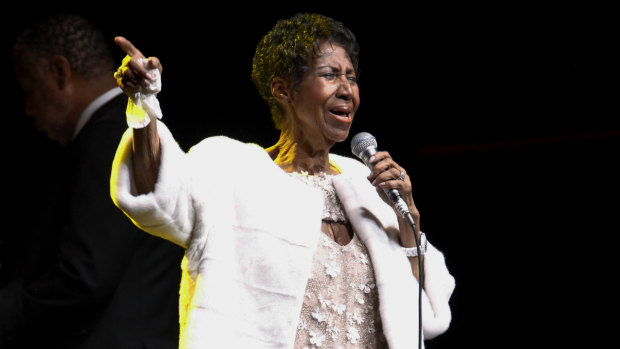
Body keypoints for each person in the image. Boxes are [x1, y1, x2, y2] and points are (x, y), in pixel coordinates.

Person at [111, 13, 455, 348]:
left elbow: (427, 316)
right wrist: (144, 102)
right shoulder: (235, 170)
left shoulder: (365, 185)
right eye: (330, 75)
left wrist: (407, 214)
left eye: (351, 77)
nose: (347, 90)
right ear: (283, 90)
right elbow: (157, 197)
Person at [0, 13, 184, 348]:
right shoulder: (105, 133)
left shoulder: (113, 136)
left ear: (60, 72)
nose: (27, 108)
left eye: (29, 89)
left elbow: (86, 275)